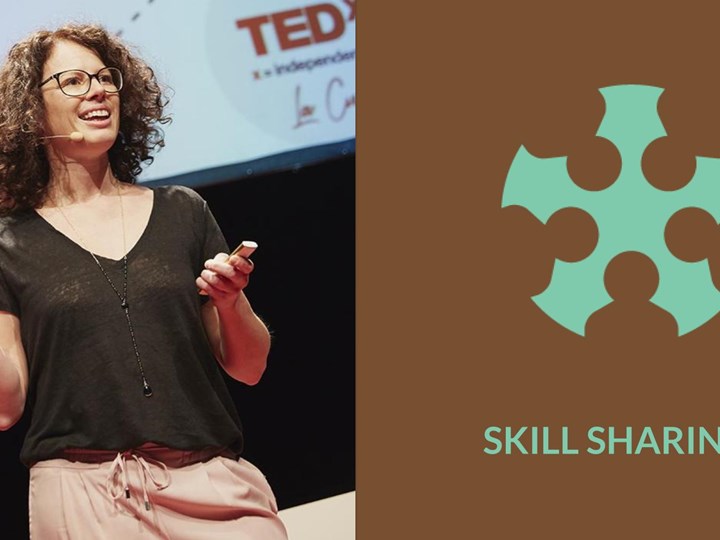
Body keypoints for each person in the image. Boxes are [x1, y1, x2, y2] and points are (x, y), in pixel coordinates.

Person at [0, 22, 288, 539]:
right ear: (31, 110)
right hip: (86, 493)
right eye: (73, 81)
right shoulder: (9, 242)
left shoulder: (183, 211)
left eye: (104, 77)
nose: (97, 90)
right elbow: (6, 406)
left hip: (212, 482)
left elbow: (249, 367)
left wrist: (231, 302)